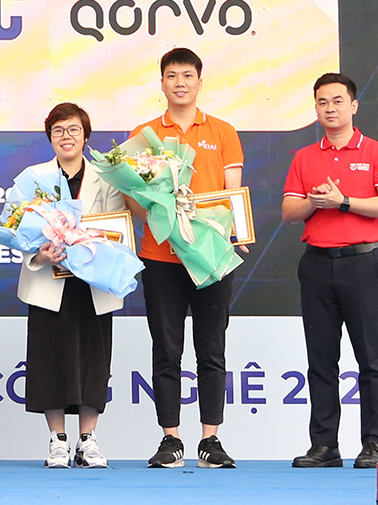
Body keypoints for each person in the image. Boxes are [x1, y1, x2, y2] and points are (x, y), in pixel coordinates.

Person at [126, 46, 244, 469]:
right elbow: (132, 198)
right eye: (172, 76)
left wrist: (231, 230)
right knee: (166, 349)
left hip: (210, 256)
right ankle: (170, 439)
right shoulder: (144, 135)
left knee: (212, 349)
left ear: (199, 81)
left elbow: (232, 194)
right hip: (161, 257)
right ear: (161, 83)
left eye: (187, 75)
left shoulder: (222, 131)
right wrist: (164, 219)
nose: (180, 83)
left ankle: (211, 440)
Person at [281, 73, 378, 469]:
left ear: (353, 105)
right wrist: (316, 202)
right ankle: (324, 445)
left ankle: (373, 443)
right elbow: (289, 212)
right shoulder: (304, 157)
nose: (330, 109)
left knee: (371, 358)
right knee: (320, 359)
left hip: (362, 263)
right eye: (322, 102)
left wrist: (344, 201)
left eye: (337, 101)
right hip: (317, 264)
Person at [7, 103, 126, 469]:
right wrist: (40, 254)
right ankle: (57, 440)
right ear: (50, 138)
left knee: (94, 361)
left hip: (93, 282)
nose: (66, 137)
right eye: (58, 131)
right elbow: (15, 225)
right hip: (49, 279)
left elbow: (116, 227)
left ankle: (88, 440)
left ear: (85, 135)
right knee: (50, 360)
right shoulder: (33, 178)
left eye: (73, 129)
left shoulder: (107, 178)